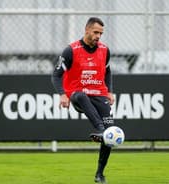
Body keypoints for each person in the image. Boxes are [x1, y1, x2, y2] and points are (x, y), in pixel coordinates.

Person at [51, 17, 114, 184]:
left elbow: (108, 72)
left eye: (101, 33)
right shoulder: (71, 50)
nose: (98, 36)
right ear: (86, 30)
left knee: (111, 134)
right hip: (79, 96)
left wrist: (110, 92)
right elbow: (56, 75)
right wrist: (63, 94)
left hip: (99, 95)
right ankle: (100, 129)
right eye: (95, 32)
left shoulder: (105, 50)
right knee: (79, 95)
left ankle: (99, 174)